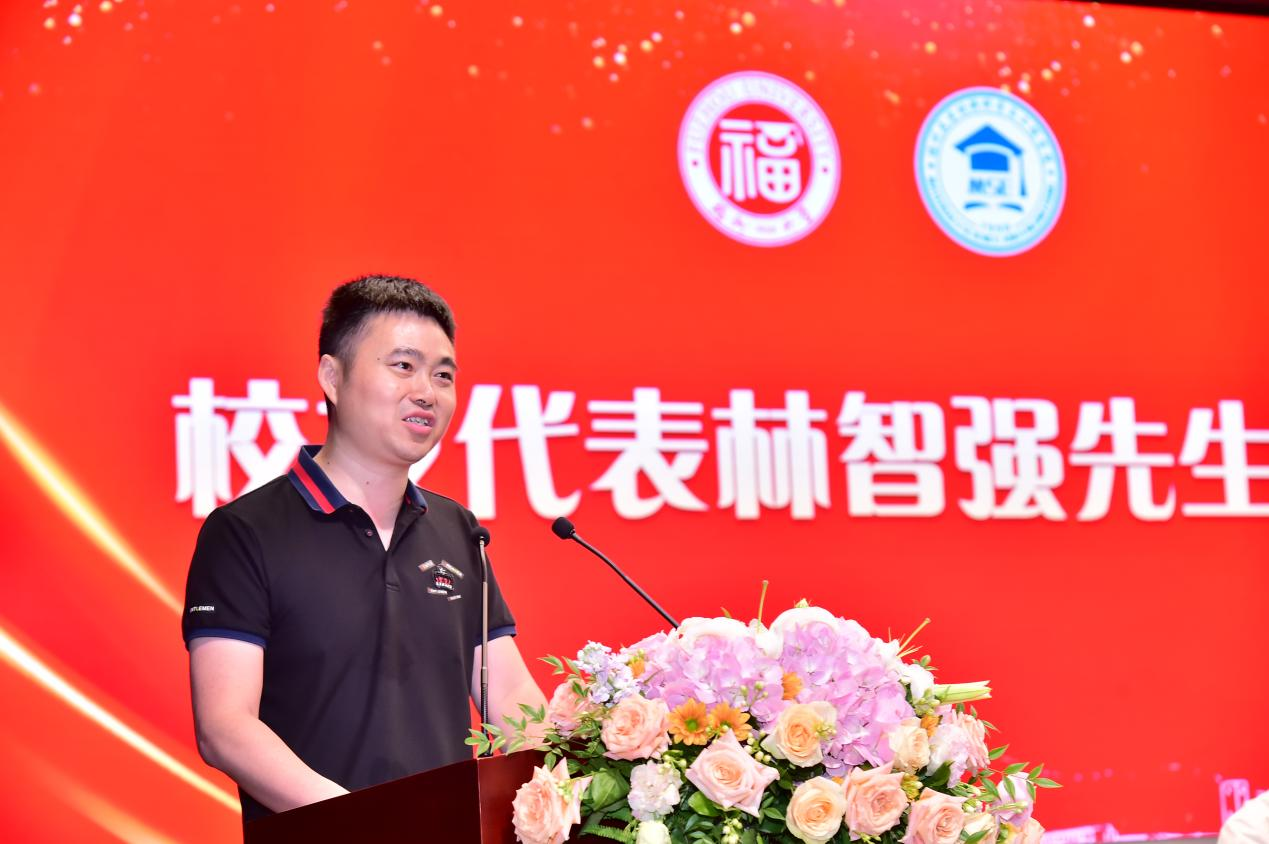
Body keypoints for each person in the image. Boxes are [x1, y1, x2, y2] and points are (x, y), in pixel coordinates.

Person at [182, 275, 546, 823]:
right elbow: (226, 727)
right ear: (333, 376)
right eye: (403, 366)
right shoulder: (246, 532)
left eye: (443, 375)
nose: (427, 391)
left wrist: (580, 783)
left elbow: (512, 696)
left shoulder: (457, 530)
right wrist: (367, 821)